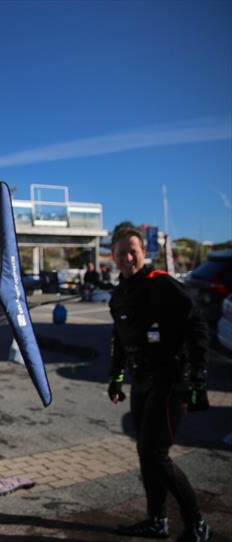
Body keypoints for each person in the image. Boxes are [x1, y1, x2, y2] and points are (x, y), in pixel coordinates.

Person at [107, 227, 211, 542]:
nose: (127, 258)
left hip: (170, 380)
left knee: (156, 453)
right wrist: (116, 377)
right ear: (113, 256)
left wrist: (198, 376)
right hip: (141, 382)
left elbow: (197, 325)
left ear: (143, 253)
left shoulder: (162, 285)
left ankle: (197, 524)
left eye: (133, 251)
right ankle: (157, 520)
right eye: (121, 252)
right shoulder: (119, 295)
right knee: (145, 453)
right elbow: (119, 341)